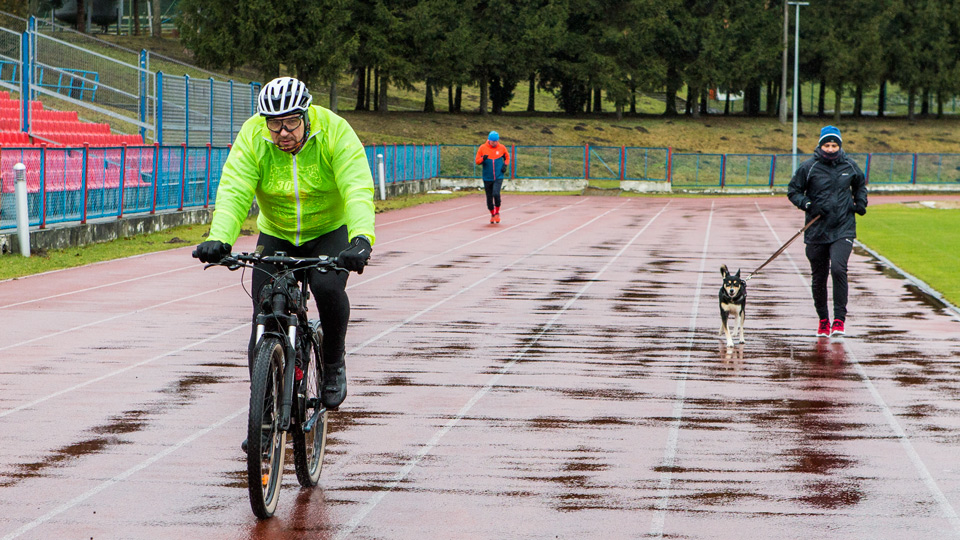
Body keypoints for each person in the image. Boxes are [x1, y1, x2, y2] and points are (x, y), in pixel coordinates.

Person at [195, 76, 375, 423]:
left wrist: (361, 238)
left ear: (307, 115)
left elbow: (356, 186)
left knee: (326, 287)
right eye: (274, 124)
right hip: (276, 232)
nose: (283, 132)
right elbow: (235, 188)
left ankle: (334, 362)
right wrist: (220, 237)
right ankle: (261, 411)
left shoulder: (335, 131)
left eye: (291, 122)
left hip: (328, 231)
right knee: (263, 311)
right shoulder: (253, 137)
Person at [787, 125, 867, 338]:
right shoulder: (809, 167)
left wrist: (860, 202)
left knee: (839, 269)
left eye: (834, 145)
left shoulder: (850, 165)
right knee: (819, 277)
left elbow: (860, 184)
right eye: (827, 144)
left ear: (839, 146)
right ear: (820, 145)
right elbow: (793, 191)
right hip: (817, 229)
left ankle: (839, 320)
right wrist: (808, 204)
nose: (831, 149)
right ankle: (823, 320)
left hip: (843, 227)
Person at [474, 131, 510, 223]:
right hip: (487, 177)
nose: (495, 143)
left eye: (496, 141)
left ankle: (497, 212)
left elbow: (507, 157)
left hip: (498, 176)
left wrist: (505, 165)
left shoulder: (502, 148)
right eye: (493, 141)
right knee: (489, 198)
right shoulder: (482, 148)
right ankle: (492, 214)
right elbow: (477, 161)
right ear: (489, 140)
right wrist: (483, 159)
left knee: (496, 194)